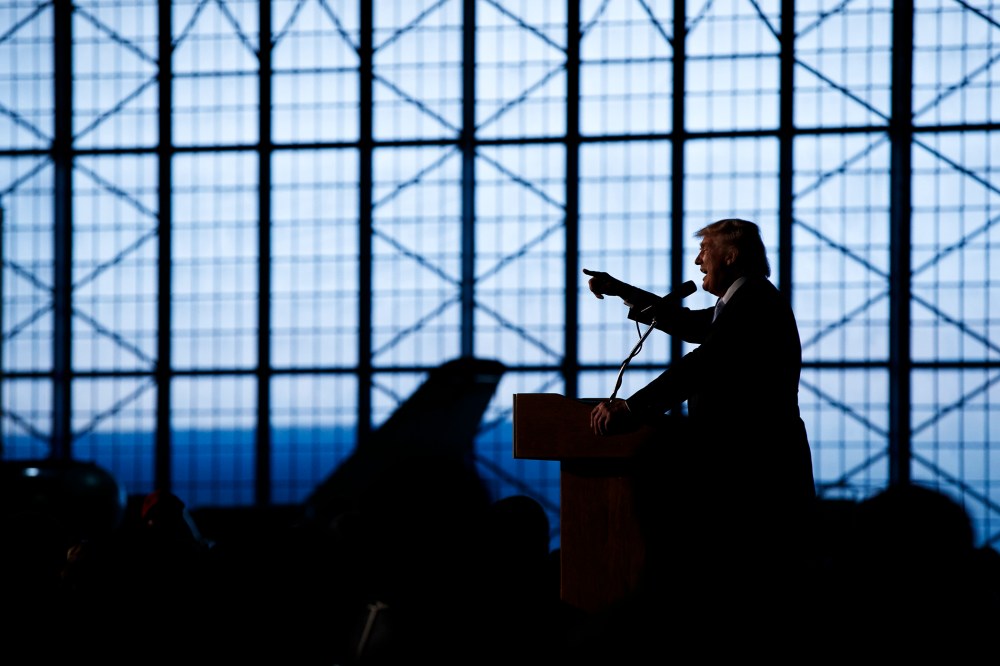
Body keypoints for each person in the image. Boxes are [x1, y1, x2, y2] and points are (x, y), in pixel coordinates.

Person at [583, 218, 817, 620]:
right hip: (755, 462)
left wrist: (631, 408)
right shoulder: (745, 300)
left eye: (705, 250)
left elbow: (704, 362)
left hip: (754, 467)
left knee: (753, 582)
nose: (697, 260)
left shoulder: (755, 302)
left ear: (731, 255)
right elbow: (691, 325)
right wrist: (622, 290)